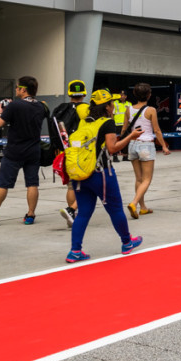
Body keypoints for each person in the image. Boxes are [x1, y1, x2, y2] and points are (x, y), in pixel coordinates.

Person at [65, 89, 144, 262]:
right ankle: (127, 242)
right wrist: (131, 136)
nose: (114, 105)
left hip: (81, 174)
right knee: (115, 209)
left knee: (83, 213)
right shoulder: (107, 123)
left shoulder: (83, 122)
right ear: (107, 106)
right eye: (112, 103)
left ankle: (75, 251)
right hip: (101, 174)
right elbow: (112, 148)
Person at [0, 75, 46, 226]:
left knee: (3, 184)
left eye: (17, 87)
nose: (16, 89)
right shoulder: (40, 106)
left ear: (23, 89)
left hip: (14, 150)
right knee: (32, 183)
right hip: (34, 150)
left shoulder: (15, 106)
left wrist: (1, 109)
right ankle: (30, 215)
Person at [122, 83, 171, 218]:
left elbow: (123, 129)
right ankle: (134, 203)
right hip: (146, 145)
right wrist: (164, 146)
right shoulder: (151, 110)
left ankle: (142, 207)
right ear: (149, 95)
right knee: (147, 179)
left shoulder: (128, 109)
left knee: (139, 178)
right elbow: (156, 130)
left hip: (132, 144)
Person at [52, 79, 88, 227]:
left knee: (71, 186)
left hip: (65, 150)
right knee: (87, 184)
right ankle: (72, 211)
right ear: (84, 94)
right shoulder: (87, 109)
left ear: (69, 93)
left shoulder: (60, 108)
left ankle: (72, 215)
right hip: (83, 151)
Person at [111, 90, 130, 162]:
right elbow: (112, 114)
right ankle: (115, 156)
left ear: (126, 96)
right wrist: (112, 123)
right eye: (120, 95)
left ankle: (125, 156)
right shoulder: (115, 103)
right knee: (116, 141)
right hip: (117, 125)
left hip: (126, 125)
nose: (121, 96)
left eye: (122, 95)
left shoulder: (129, 104)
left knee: (125, 140)